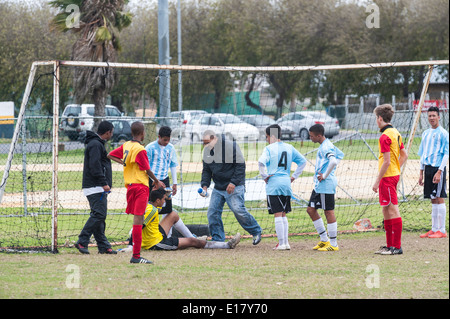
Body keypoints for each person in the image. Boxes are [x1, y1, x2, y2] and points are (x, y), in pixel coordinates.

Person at [108, 121, 165, 264]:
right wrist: (157, 181)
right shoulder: (140, 149)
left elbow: (110, 155)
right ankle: (136, 256)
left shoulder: (126, 145)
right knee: (138, 221)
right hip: (140, 187)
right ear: (142, 133)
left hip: (130, 187)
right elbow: (147, 169)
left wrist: (123, 163)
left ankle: (135, 253)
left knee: (137, 220)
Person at [200, 130, 262, 244]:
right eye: (204, 143)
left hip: (235, 186)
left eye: (207, 142)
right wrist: (204, 186)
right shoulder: (207, 152)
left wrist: (233, 182)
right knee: (212, 213)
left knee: (238, 210)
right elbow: (206, 171)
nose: (205, 145)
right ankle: (218, 239)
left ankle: (256, 231)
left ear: (215, 139)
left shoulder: (230, 146)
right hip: (219, 187)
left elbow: (240, 165)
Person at [138, 188, 241, 250]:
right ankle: (227, 245)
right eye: (164, 199)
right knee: (193, 242)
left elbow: (168, 210)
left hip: (156, 234)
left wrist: (169, 198)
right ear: (157, 200)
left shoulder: (151, 206)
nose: (164, 201)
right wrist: (132, 246)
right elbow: (139, 226)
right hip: (157, 243)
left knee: (173, 214)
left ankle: (192, 236)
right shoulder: (151, 211)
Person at [258, 124, 307, 250]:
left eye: (267, 136)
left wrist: (264, 176)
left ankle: (281, 243)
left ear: (272, 136)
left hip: (274, 183)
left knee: (277, 214)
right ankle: (285, 243)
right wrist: (294, 176)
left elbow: (261, 162)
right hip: (286, 183)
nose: (266, 139)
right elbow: (303, 161)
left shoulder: (269, 148)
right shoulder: (289, 147)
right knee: (283, 214)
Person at [75, 121, 117, 255]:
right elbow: (95, 166)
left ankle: (103, 246)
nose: (112, 134)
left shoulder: (97, 144)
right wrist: (103, 182)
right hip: (95, 186)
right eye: (112, 132)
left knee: (99, 216)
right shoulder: (95, 145)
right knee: (99, 214)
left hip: (97, 186)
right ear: (108, 132)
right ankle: (82, 240)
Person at [372, 104, 408, 255]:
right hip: (392, 175)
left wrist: (377, 181)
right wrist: (396, 170)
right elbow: (404, 155)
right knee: (386, 209)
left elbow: (386, 161)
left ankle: (396, 247)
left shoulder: (385, 136)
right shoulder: (395, 132)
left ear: (380, 118)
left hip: (387, 177)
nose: (376, 121)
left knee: (392, 209)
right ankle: (389, 245)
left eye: (376, 118)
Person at [145, 126, 191, 238]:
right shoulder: (149, 148)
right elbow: (145, 167)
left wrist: (175, 183)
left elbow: (173, 165)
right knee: (149, 208)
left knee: (168, 209)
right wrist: (154, 181)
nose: (167, 142)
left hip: (165, 180)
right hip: (152, 181)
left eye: (168, 140)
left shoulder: (170, 148)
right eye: (164, 140)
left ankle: (167, 236)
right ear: (159, 137)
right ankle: (137, 234)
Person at [307, 124, 344, 252]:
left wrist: (325, 174)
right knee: (311, 210)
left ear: (319, 135)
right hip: (319, 185)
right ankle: (324, 240)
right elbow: (339, 155)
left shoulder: (326, 147)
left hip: (325, 184)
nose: (310, 138)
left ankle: (333, 244)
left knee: (328, 211)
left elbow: (333, 161)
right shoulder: (327, 144)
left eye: (311, 136)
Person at [418, 106, 449, 238]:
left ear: (438, 117)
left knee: (439, 197)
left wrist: (440, 171)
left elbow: (446, 154)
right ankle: (434, 228)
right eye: (429, 116)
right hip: (428, 169)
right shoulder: (425, 133)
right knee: (432, 198)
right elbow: (423, 153)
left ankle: (442, 230)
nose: (431, 118)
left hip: (438, 169)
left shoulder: (443, 133)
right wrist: (421, 172)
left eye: (434, 116)